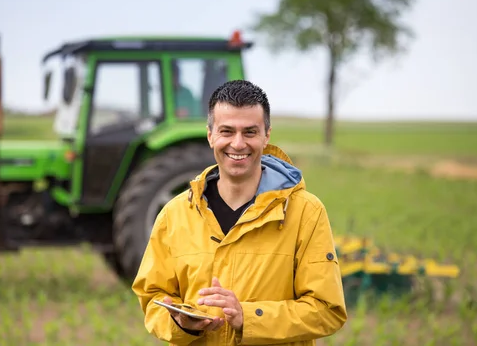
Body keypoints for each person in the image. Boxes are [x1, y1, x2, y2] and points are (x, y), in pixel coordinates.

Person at [132, 80, 347, 345]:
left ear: (266, 135)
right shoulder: (175, 214)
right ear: (210, 135)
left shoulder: (306, 212)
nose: (237, 143)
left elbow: (327, 310)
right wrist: (181, 323)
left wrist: (249, 317)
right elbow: (152, 298)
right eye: (226, 131)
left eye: (249, 132)